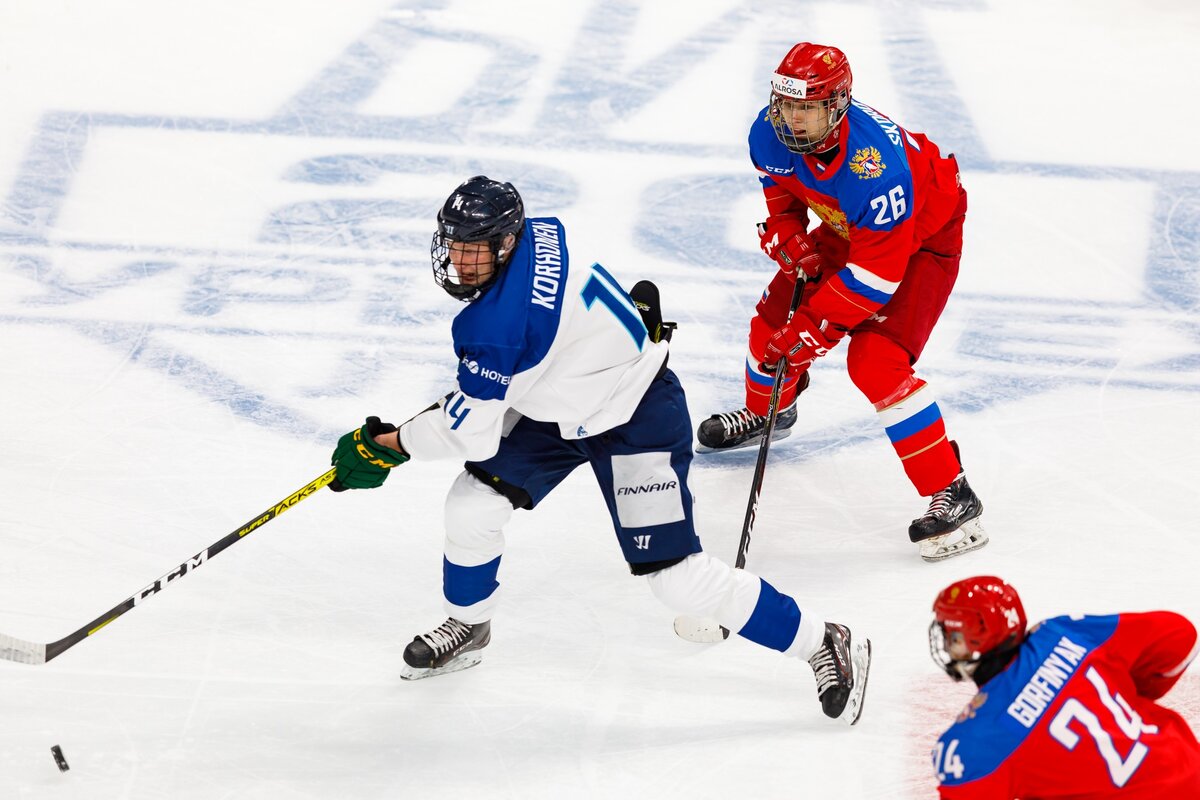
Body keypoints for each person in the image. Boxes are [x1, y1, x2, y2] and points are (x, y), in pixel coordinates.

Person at [326, 175, 871, 724]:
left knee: (677, 581)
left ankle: (822, 639)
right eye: (456, 246)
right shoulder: (539, 234)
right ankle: (469, 624)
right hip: (565, 403)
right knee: (471, 506)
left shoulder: (494, 325)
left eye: (475, 250)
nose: (461, 262)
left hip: (637, 416)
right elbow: (520, 367)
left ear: (506, 244)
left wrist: (389, 446)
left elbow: (472, 431)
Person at [695, 42, 986, 562]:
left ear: (837, 105)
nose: (792, 119)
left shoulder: (876, 170)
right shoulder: (768, 131)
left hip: (919, 240)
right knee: (768, 327)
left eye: (805, 107)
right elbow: (783, 194)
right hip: (850, 226)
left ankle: (954, 492)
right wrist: (786, 232)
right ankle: (770, 413)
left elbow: (877, 277)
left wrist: (811, 332)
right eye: (786, 105)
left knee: (875, 361)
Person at [928, 575, 1200, 798]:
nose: (946, 644)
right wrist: (1127, 693)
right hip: (1188, 768)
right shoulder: (1061, 632)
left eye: (952, 637)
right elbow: (1180, 634)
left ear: (975, 640)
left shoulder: (974, 740)